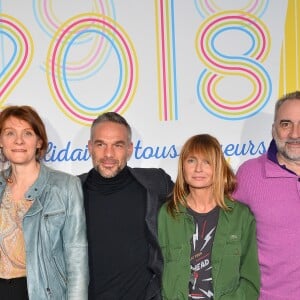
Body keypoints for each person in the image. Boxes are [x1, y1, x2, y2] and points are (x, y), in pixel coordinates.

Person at [79, 112, 174, 300]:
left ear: (130, 149)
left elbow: (198, 212)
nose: (108, 154)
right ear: (90, 147)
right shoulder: (69, 192)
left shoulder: (156, 183)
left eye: (118, 145)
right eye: (100, 144)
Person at [0, 105, 89, 300]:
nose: (18, 140)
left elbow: (76, 258)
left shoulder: (65, 186)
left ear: (39, 142)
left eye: (28, 133)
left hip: (40, 292)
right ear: (1, 141)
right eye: (9, 133)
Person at [158, 134, 260, 300]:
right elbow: (157, 271)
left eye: (207, 162)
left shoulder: (240, 216)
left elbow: (251, 277)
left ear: (218, 167)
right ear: (182, 166)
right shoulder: (167, 214)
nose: (198, 169)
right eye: (191, 160)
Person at [233, 90, 300, 300]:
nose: (295, 134)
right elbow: (228, 240)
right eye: (286, 124)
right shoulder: (249, 174)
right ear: (273, 129)